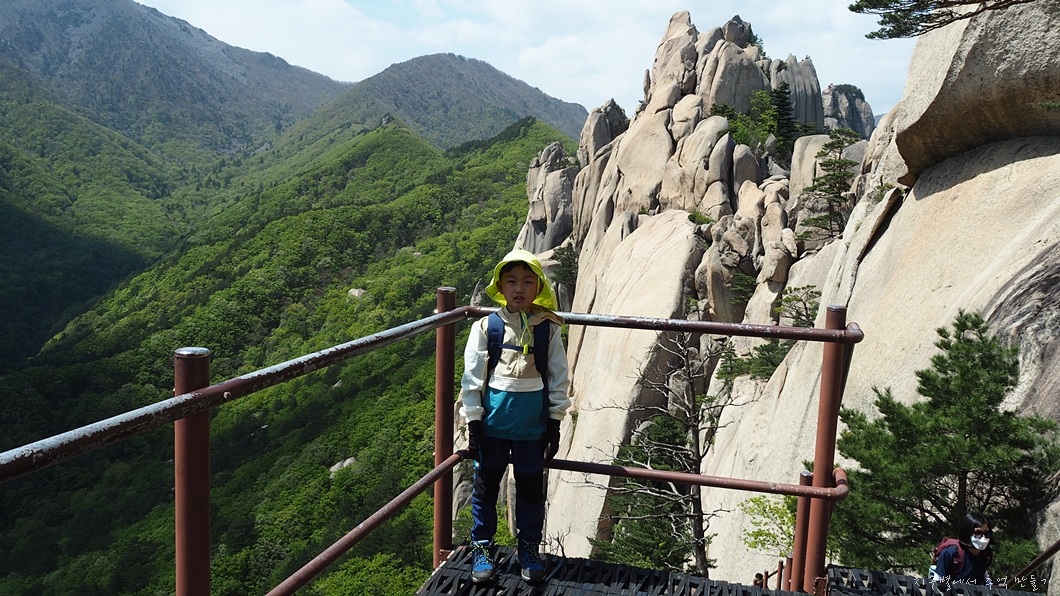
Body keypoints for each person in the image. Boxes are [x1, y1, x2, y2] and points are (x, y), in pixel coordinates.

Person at [459, 249, 571, 584]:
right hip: (492, 426)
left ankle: (529, 550)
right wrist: (473, 422)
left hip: (532, 428)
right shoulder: (486, 327)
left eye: (527, 281)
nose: (519, 288)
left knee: (530, 492)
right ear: (500, 287)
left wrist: (555, 422)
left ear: (538, 287)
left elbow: (559, 376)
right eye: (511, 281)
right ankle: (482, 548)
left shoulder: (547, 328)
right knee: (485, 491)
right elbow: (472, 378)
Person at [933, 511, 994, 586]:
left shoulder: (986, 554)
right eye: (977, 533)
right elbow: (937, 582)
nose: (983, 538)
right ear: (967, 532)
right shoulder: (950, 553)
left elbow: (983, 573)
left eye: (987, 533)